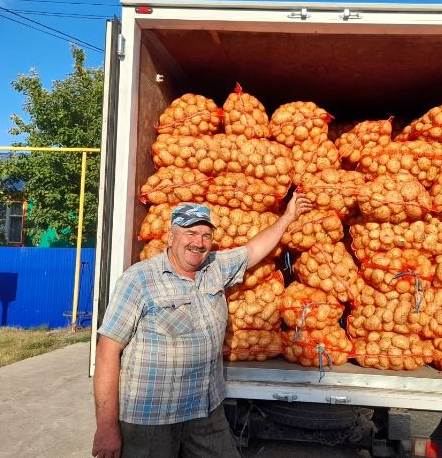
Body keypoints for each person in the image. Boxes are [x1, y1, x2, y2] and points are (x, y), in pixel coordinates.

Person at [91, 192, 312, 458]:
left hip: (205, 411)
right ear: (170, 237)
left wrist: (288, 216)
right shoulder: (139, 279)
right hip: (151, 419)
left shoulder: (214, 268)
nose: (199, 242)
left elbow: (253, 250)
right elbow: (107, 351)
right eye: (191, 233)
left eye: (206, 235)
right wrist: (106, 427)